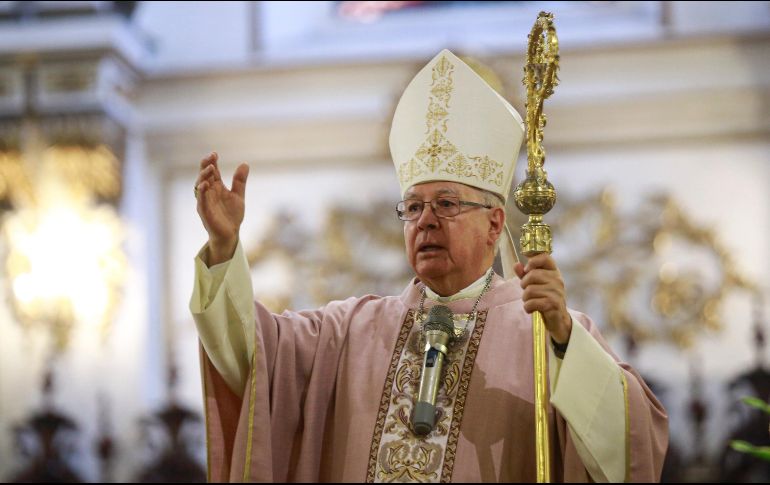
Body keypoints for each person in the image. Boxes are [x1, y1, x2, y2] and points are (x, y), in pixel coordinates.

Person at [190, 49, 668, 482]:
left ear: (495, 223)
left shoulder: (547, 333)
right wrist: (225, 246)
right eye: (413, 207)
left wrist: (565, 339)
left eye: (447, 203)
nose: (427, 221)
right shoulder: (348, 332)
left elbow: (631, 445)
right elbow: (248, 356)